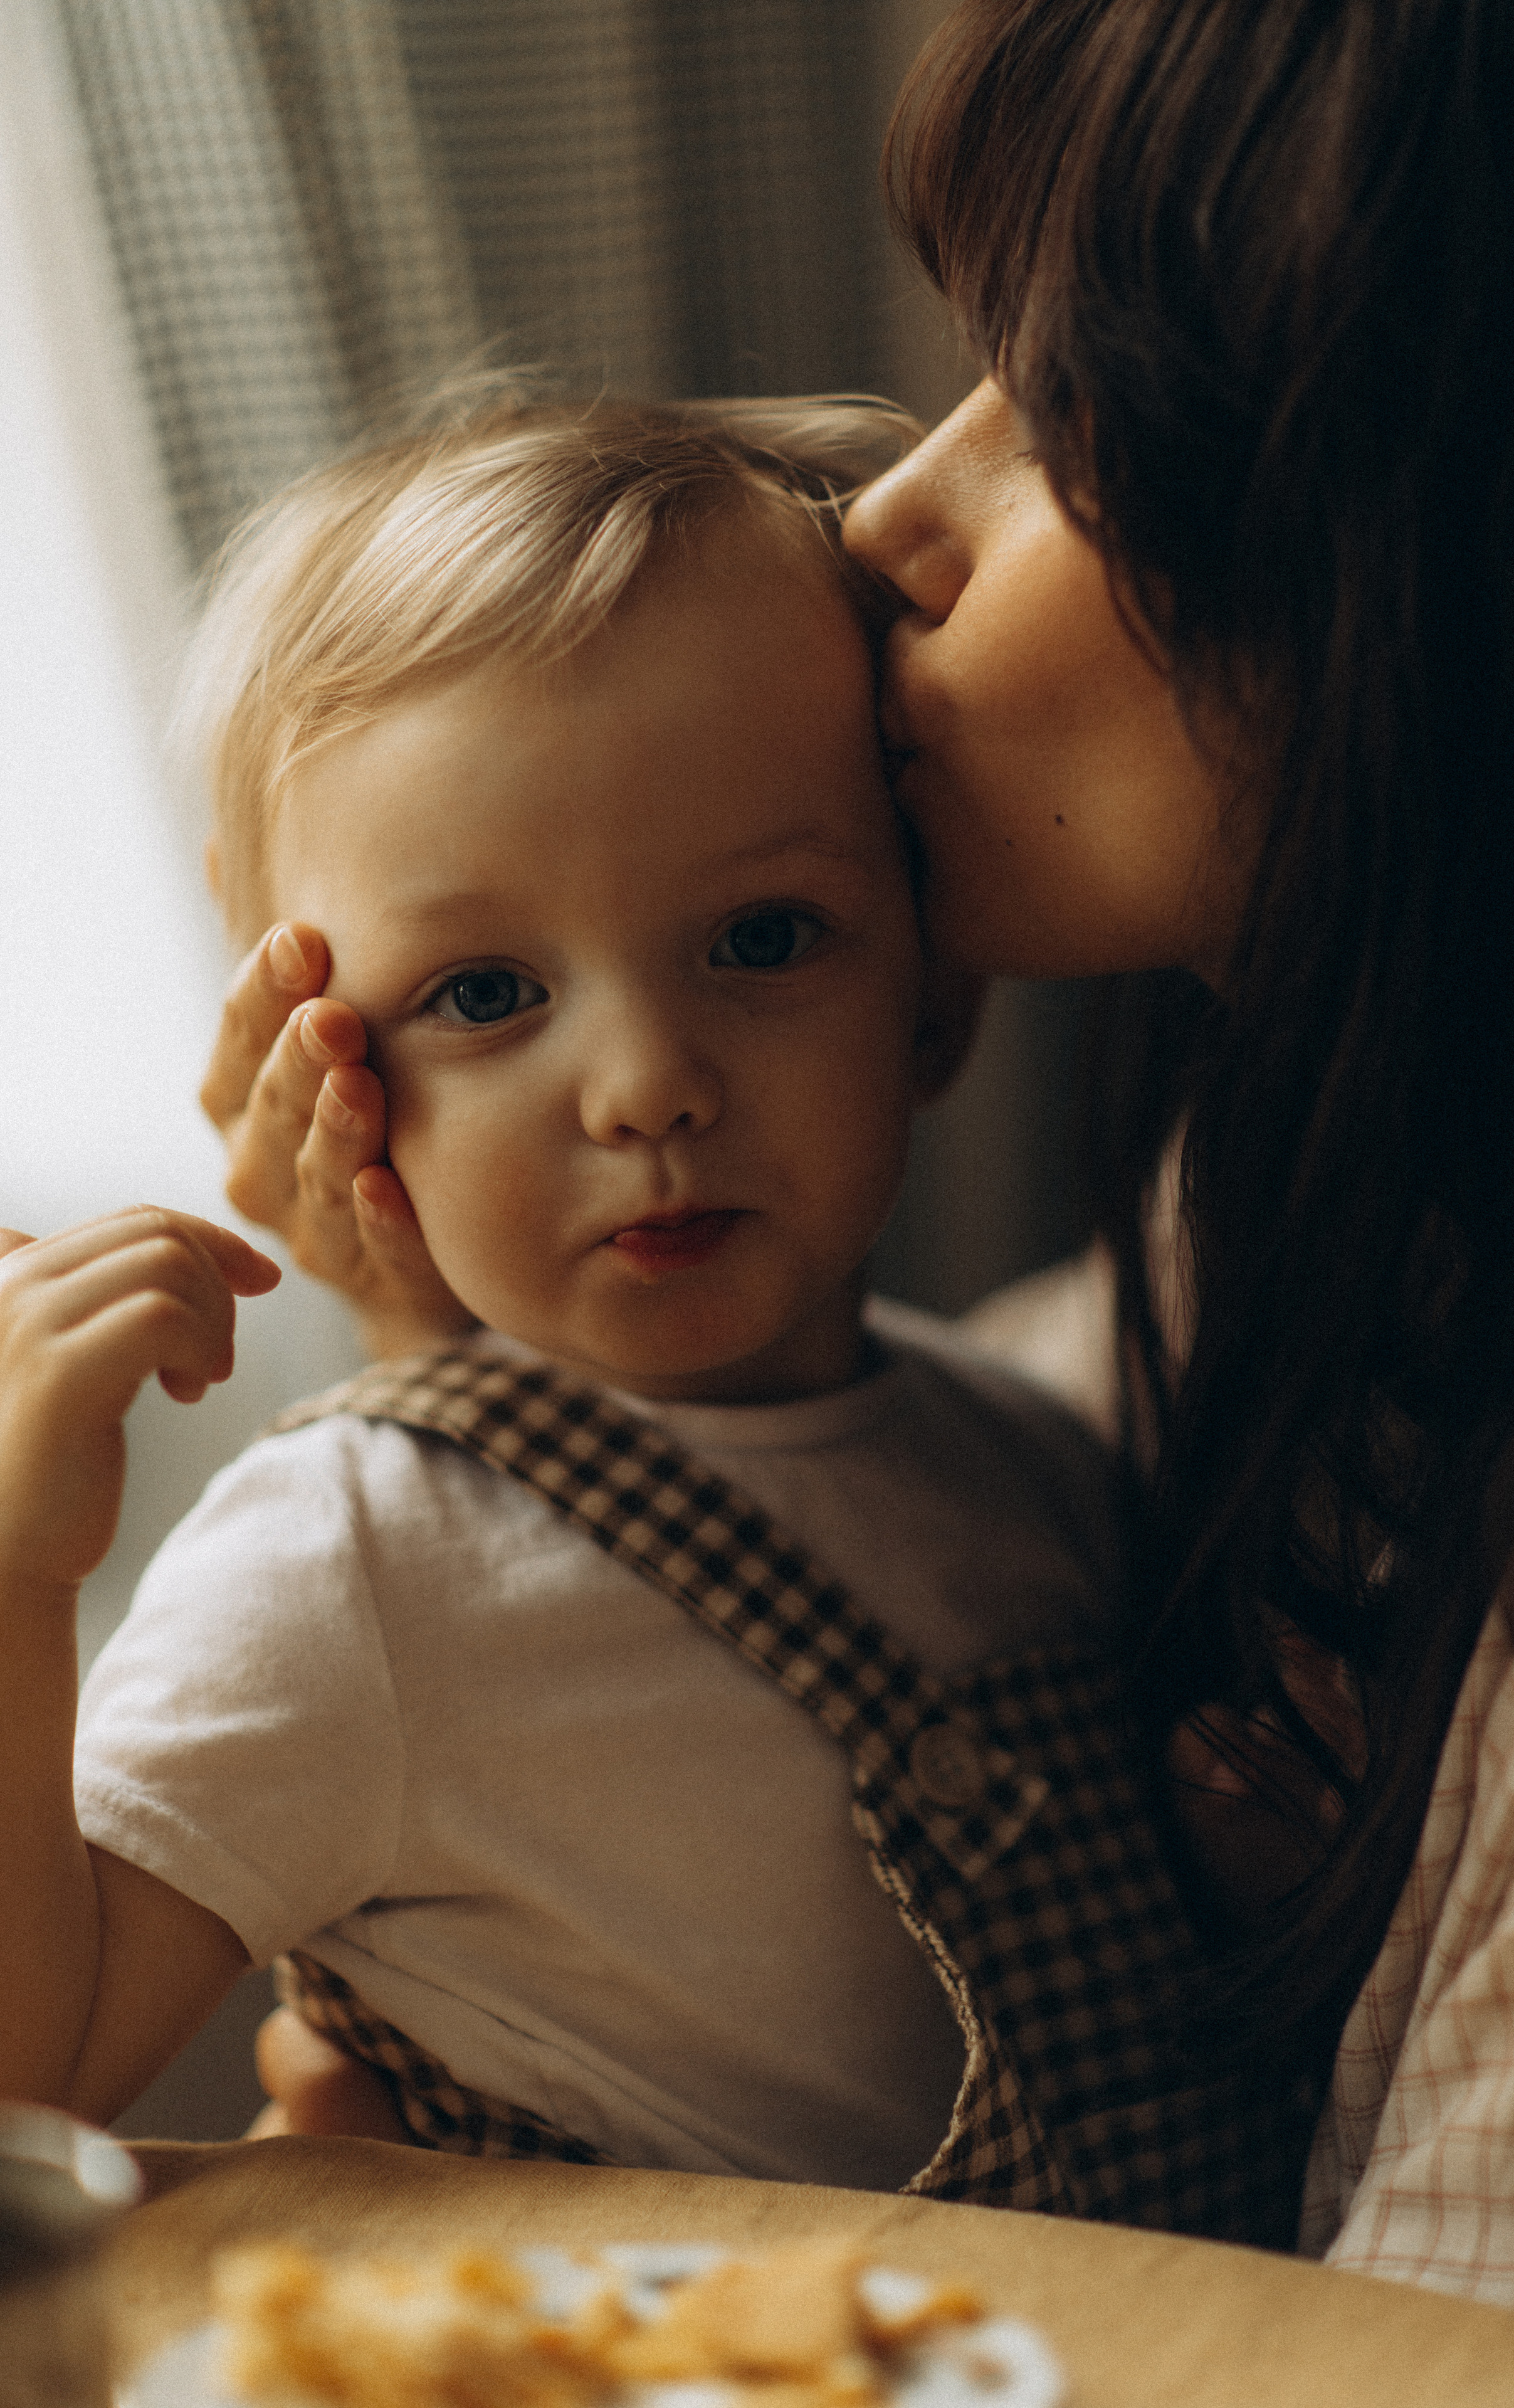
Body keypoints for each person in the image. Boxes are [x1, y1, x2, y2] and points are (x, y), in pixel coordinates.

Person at [205, 0, 1514, 2326]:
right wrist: (459, 1347)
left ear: (1433, 547)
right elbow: (826, 1507)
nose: (887, 518)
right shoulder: (1289, 1212)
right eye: (483, 994)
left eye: (1066, 408)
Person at [3, 391, 1219, 2211]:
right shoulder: (354, 1557)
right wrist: (18, 1580)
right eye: (486, 994)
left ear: (937, 995)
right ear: (331, 1077)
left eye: (761, 939)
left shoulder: (1039, 1454)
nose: (647, 1084)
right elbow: (33, 2084)